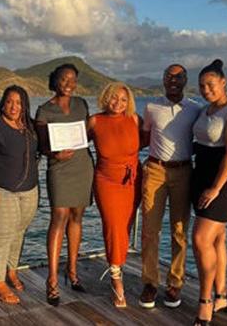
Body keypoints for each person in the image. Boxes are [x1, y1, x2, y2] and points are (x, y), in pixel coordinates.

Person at [139, 64, 202, 309]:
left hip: (184, 171)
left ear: (186, 80)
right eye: (169, 76)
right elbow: (144, 138)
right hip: (155, 170)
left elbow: (207, 135)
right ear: (163, 80)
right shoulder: (151, 107)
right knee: (149, 229)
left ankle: (175, 282)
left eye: (179, 77)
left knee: (179, 230)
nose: (173, 80)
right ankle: (150, 282)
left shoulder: (196, 109)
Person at [191, 59, 227, 326]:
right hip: (200, 178)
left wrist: (215, 188)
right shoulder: (204, 110)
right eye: (202, 86)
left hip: (224, 184)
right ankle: (222, 295)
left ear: (224, 82)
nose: (206, 90)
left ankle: (205, 302)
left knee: (201, 239)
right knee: (217, 240)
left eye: (210, 84)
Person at [35, 63, 94, 306]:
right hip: (58, 168)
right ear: (55, 81)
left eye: (73, 80)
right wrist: (54, 155)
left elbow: (88, 133)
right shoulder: (44, 109)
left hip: (82, 165)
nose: (69, 84)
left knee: (77, 217)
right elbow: (41, 146)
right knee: (59, 216)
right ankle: (52, 279)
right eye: (64, 79)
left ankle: (72, 272)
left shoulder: (81, 104)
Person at [0, 85, 39, 305]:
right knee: (2, 237)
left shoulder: (28, 126)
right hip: (1, 190)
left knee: (18, 232)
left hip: (29, 191)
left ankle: (12, 270)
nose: (14, 106)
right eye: (10, 101)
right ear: (3, 102)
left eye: (19, 102)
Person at [88, 82, 141, 308]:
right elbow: (77, 144)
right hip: (106, 181)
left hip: (133, 180)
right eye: (113, 98)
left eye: (123, 99)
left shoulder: (135, 120)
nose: (118, 103)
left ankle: (118, 265)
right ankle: (116, 279)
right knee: (113, 227)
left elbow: (151, 142)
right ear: (104, 98)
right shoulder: (95, 121)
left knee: (125, 228)